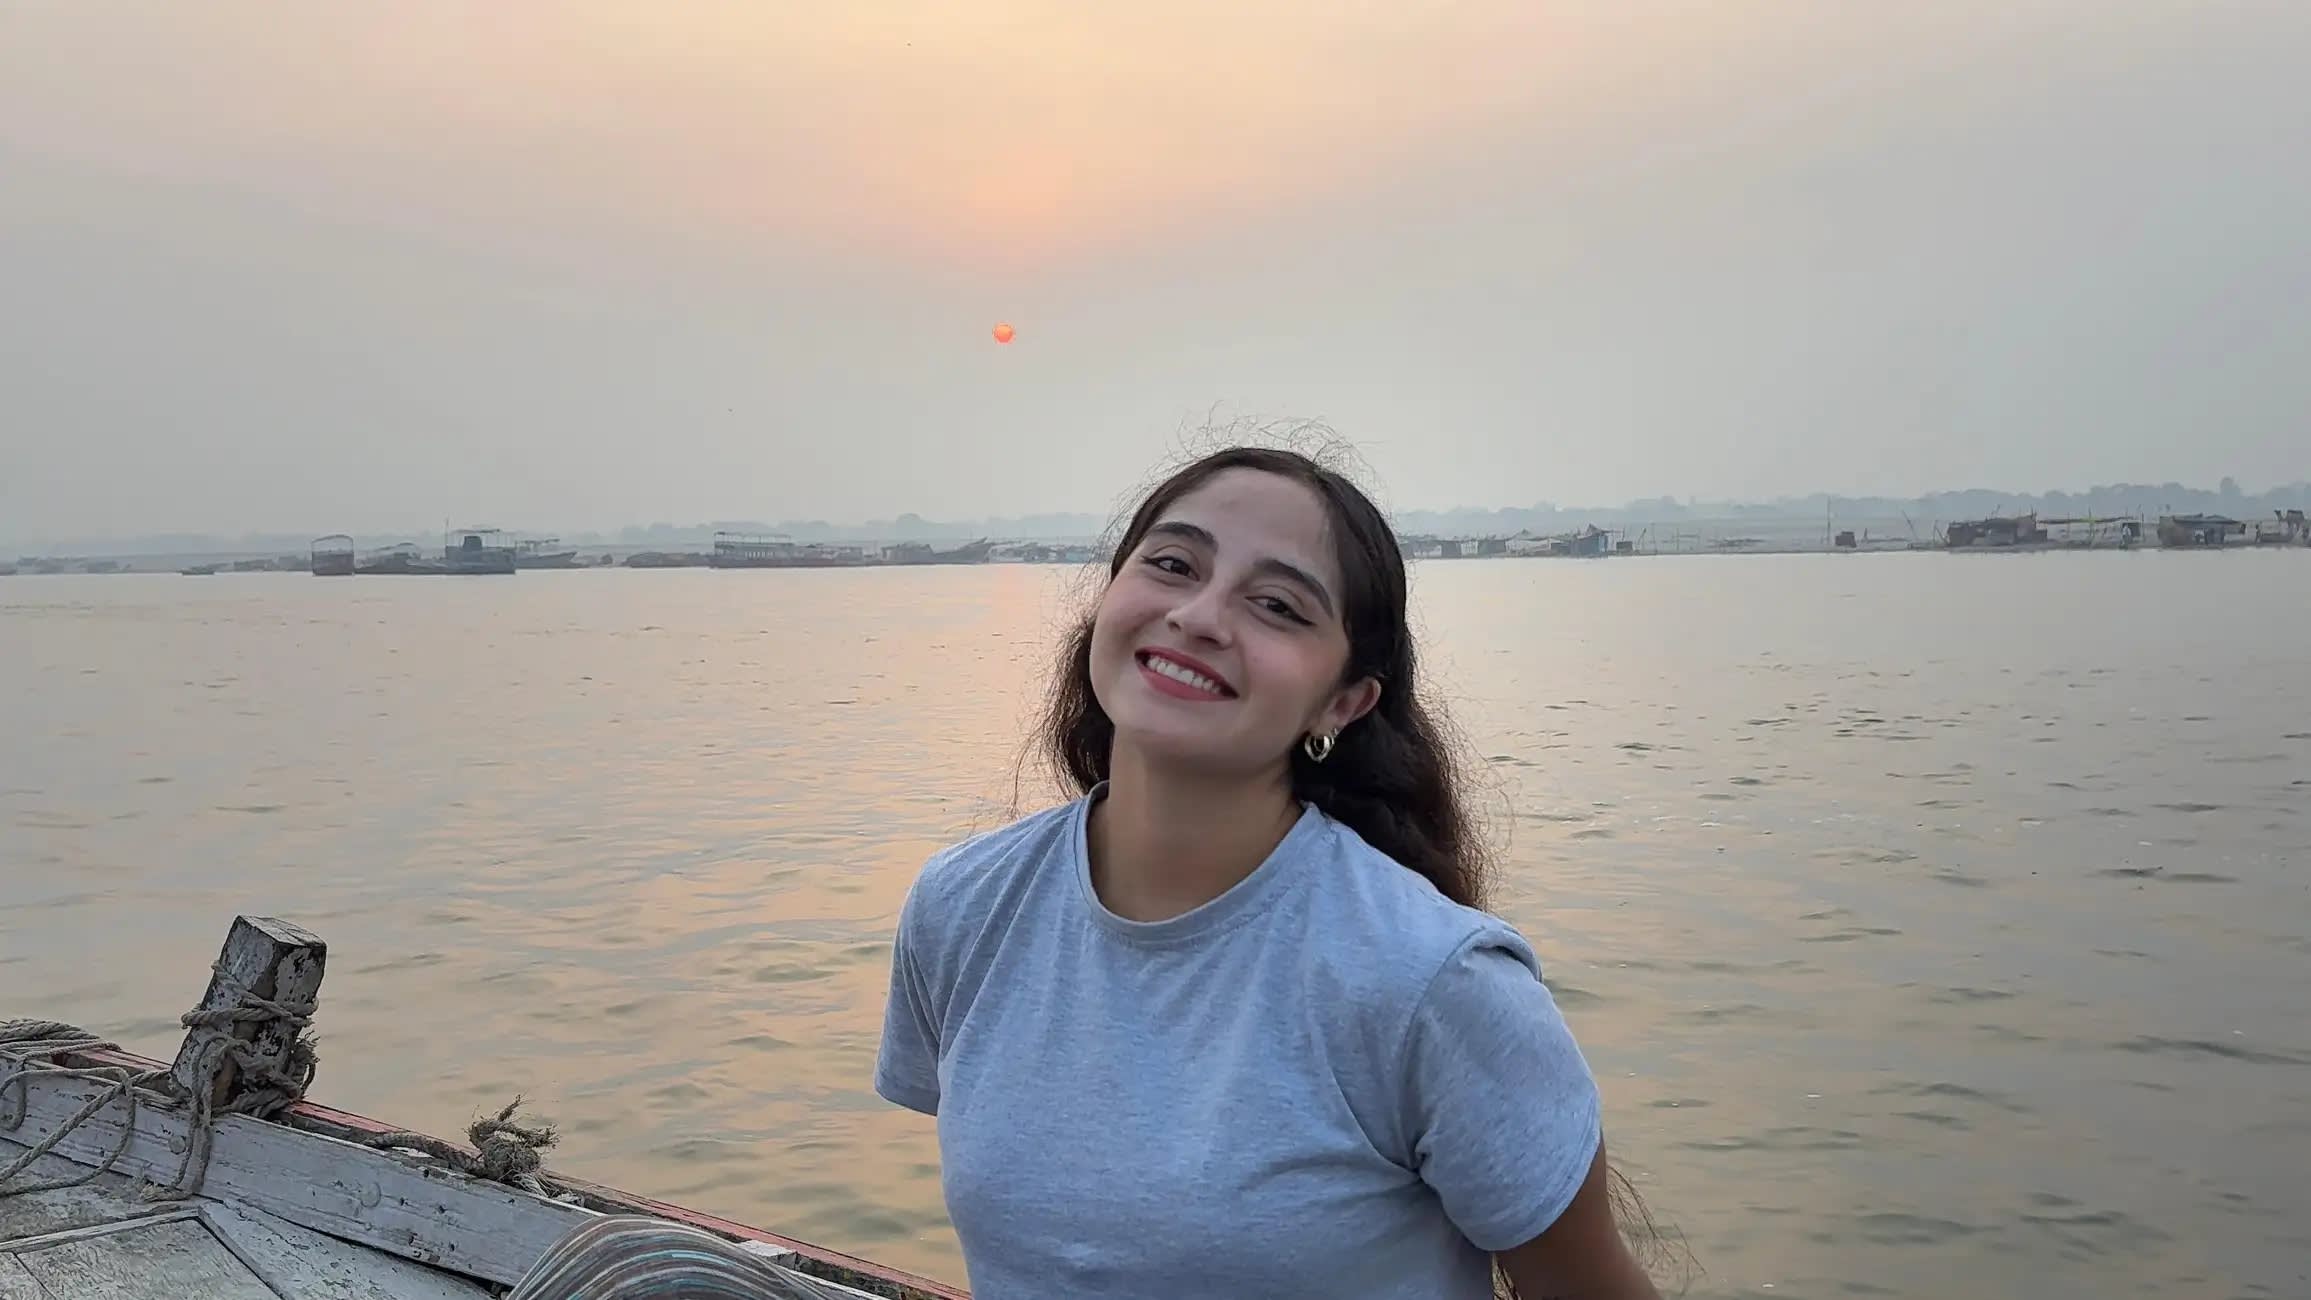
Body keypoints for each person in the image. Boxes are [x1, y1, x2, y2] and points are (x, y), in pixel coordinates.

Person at [876, 446, 1663, 1298]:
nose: (1199, 617)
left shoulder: (1435, 983)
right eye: (1172, 565)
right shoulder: (965, 907)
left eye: (1277, 606)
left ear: (1343, 702)